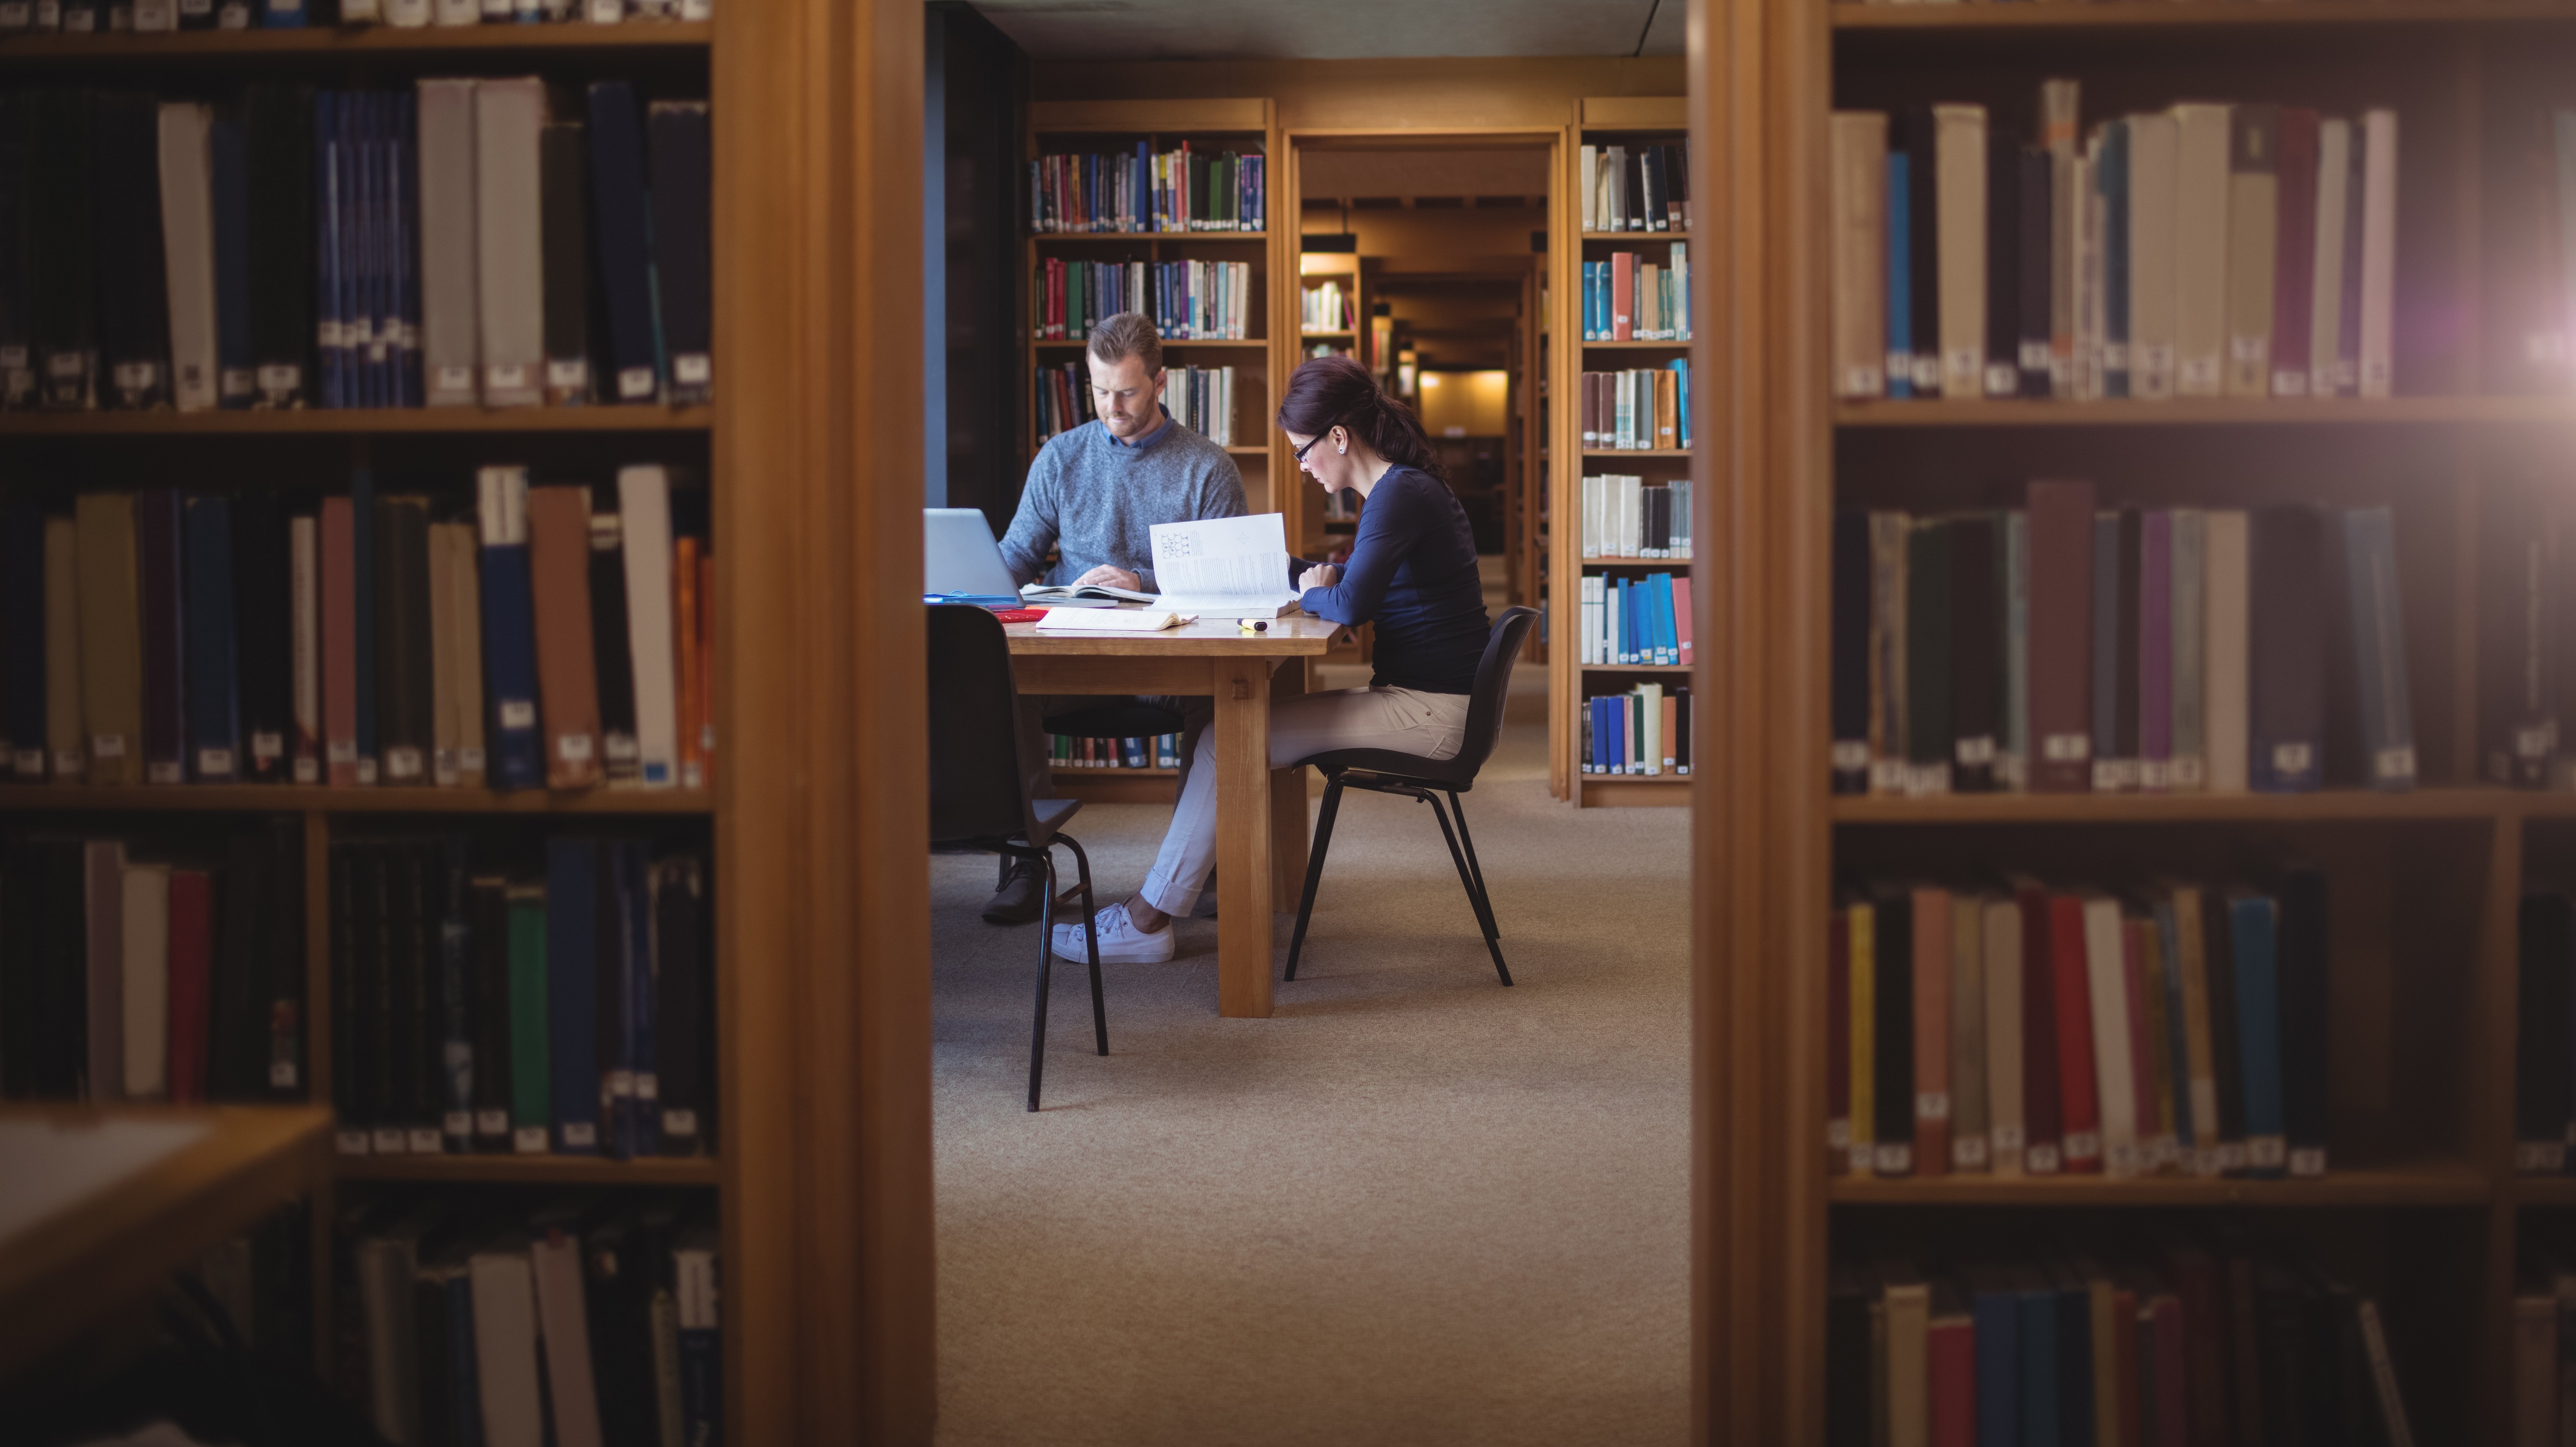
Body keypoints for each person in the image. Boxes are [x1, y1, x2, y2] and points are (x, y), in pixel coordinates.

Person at [1051, 354, 1492, 965]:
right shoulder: (1404, 489)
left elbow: (1347, 606)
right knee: (1229, 733)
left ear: (1339, 436)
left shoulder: (1398, 495)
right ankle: (1160, 910)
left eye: (1303, 451)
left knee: (1222, 739)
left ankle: (1147, 920)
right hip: (1430, 701)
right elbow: (1349, 584)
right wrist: (1291, 571)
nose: (1303, 466)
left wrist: (1318, 585)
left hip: (1431, 714)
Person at [984, 309, 1248, 924]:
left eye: (1126, 391)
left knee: (1227, 700)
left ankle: (1194, 869)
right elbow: (1015, 557)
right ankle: (1030, 857)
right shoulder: (1061, 458)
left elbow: (1230, 586)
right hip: (1075, 659)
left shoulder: (1209, 468)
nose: (1112, 406)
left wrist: (1142, 582)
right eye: (1100, 391)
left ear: (1160, 383)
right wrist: (976, 575)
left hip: (1169, 666)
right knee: (1003, 688)